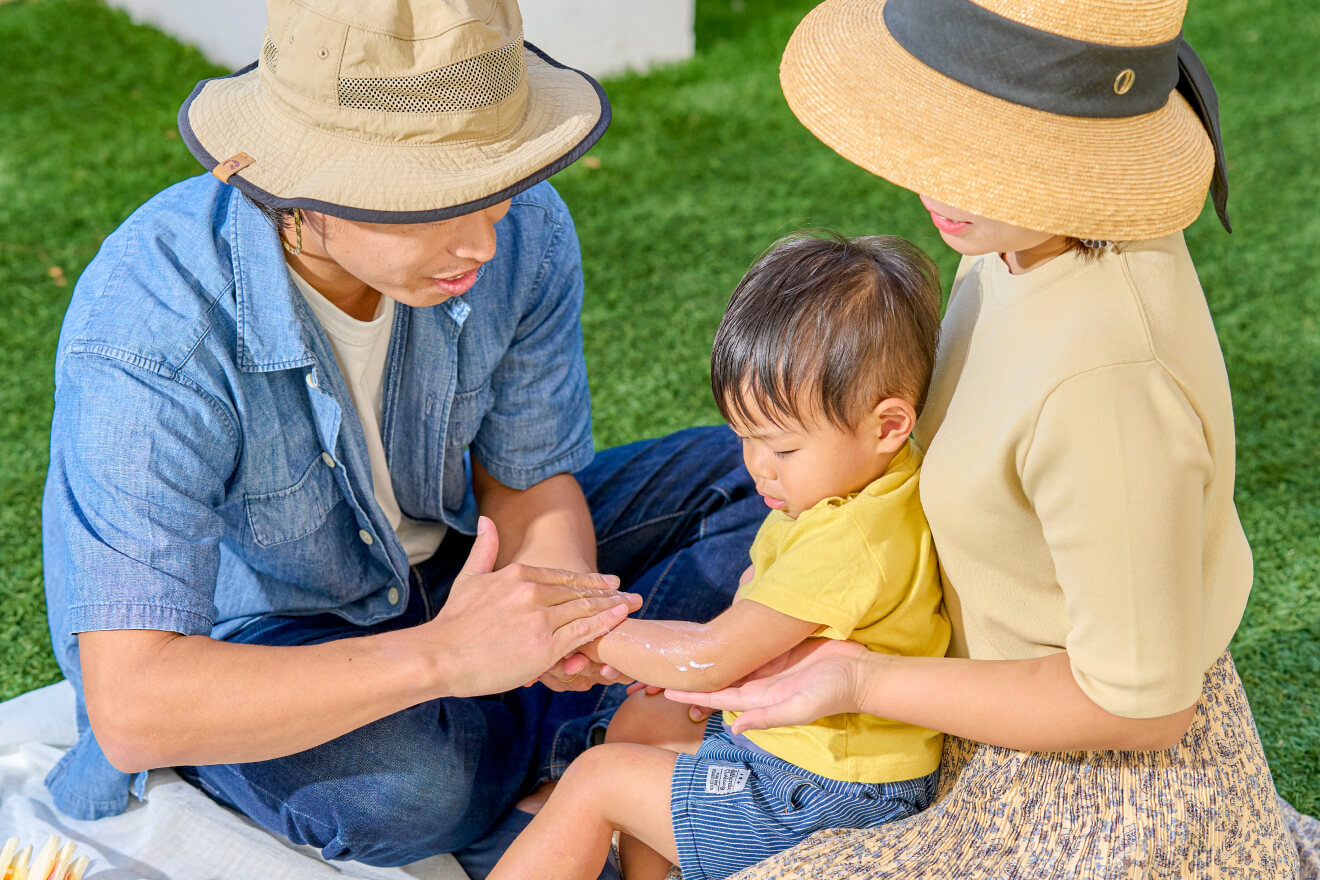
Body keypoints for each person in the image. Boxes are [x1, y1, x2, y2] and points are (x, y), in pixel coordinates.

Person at [40, 1, 764, 874]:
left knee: (757, 478)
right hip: (270, 635)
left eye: (494, 187)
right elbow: (133, 703)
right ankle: (611, 743)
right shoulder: (151, 326)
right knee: (411, 786)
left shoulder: (522, 232)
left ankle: (565, 757)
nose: (483, 239)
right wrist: (448, 657)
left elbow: (529, 485)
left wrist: (566, 615)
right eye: (434, 203)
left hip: (461, 561)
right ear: (303, 191)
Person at [659, 0, 1320, 876]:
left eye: (989, 149)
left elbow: (1140, 710)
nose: (942, 182)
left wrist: (866, 680)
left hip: (1103, 804)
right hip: (978, 727)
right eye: (943, 128)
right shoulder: (1028, 230)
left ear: (1079, 150)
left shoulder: (1105, 385)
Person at [489, 232, 951, 880]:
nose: (757, 467)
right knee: (646, 716)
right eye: (744, 437)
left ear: (888, 425)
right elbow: (713, 651)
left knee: (597, 780)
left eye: (782, 449)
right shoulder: (866, 485)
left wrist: (577, 634)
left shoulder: (852, 542)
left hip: (822, 793)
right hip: (801, 756)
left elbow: (707, 658)